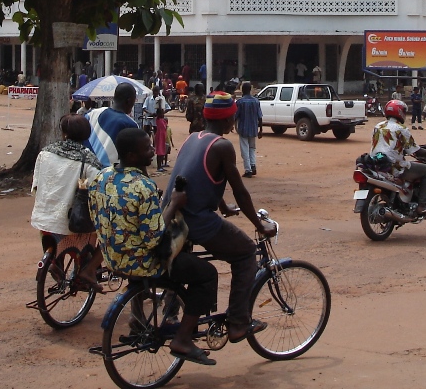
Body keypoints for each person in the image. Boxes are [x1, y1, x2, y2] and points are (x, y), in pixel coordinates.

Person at [90, 127, 219, 366]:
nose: (153, 151)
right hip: (144, 261)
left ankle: (140, 321)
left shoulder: (102, 176)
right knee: (207, 275)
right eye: (147, 149)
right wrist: (173, 204)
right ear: (131, 156)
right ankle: (183, 338)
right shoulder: (143, 186)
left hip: (114, 257)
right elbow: (154, 237)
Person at [164, 91, 277, 346]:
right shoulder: (222, 146)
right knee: (246, 253)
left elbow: (199, 178)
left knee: (189, 266)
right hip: (196, 220)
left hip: (174, 217)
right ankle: (238, 322)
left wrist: (223, 206)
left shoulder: (193, 138)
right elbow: (240, 189)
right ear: (229, 121)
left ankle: (172, 313)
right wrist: (258, 225)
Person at [32, 115, 104, 292]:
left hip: (44, 217)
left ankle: (53, 263)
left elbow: (36, 185)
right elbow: (98, 190)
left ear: (63, 133)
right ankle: (85, 271)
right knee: (102, 235)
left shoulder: (45, 152)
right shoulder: (88, 159)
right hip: (72, 222)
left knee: (49, 236)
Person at [369, 99, 426, 212]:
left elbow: (386, 146)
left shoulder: (378, 126)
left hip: (376, 163)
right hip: (394, 167)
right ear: (400, 112)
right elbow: (417, 152)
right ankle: (422, 205)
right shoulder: (401, 128)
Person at [85, 82, 138, 167]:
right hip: (108, 174)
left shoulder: (91, 114)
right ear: (129, 100)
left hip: (84, 169)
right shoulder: (130, 124)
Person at [235, 81, 262, 178]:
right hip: (254, 128)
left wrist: (231, 126)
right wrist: (261, 130)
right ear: (250, 90)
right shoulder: (256, 101)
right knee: (252, 148)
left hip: (243, 129)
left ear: (242, 90)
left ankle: (248, 170)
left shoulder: (240, 102)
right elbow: (260, 116)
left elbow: (235, 116)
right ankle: (253, 165)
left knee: (244, 150)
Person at [154, 105, 172, 171]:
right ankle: (159, 167)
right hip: (159, 137)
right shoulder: (158, 120)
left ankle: (160, 166)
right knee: (159, 151)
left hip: (162, 137)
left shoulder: (162, 120)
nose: (163, 114)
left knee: (162, 152)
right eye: (162, 113)